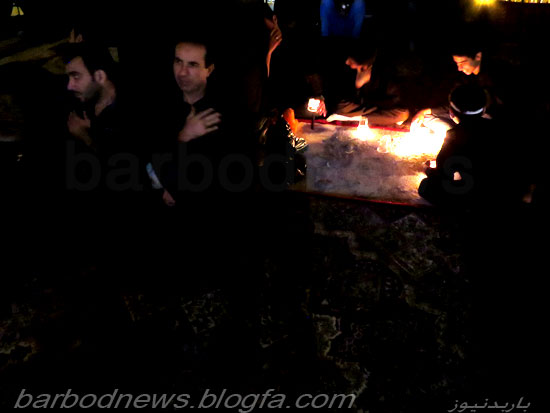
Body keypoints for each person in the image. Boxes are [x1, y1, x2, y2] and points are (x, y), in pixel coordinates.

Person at [418, 84, 520, 207]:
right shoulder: (499, 129)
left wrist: (430, 170)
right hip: (502, 191)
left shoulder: (454, 136)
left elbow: (444, 174)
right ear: (483, 110)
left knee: (425, 186)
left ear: (451, 113)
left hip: (472, 196)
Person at [325, 42, 409, 126]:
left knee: (402, 114)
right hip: (358, 107)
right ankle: (361, 118)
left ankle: (356, 119)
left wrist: (370, 100)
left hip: (378, 106)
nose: (347, 62)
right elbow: (342, 97)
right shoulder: (349, 70)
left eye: (351, 61)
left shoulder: (382, 72)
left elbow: (393, 100)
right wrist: (357, 87)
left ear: (361, 61)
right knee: (340, 107)